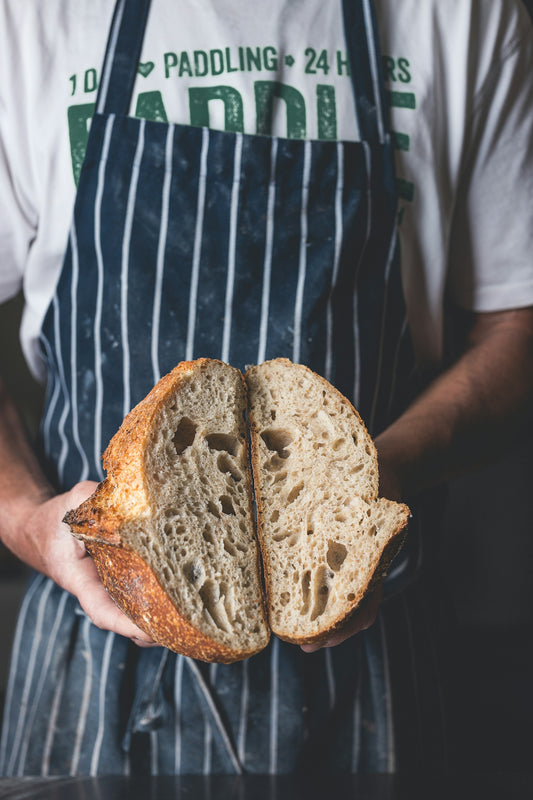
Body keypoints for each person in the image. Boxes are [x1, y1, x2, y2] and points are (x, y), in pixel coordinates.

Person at [0, 0, 532, 776]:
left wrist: (370, 481)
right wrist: (24, 520)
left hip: (370, 656)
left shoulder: (464, 14)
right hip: (92, 667)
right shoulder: (28, 17)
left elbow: (516, 322)